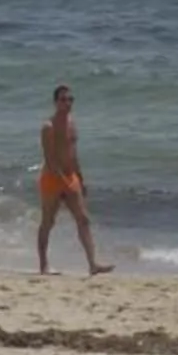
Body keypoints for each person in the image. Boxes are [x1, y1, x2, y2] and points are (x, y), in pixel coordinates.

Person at [35, 84, 112, 276]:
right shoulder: (48, 127)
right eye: (63, 100)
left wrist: (80, 179)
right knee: (48, 222)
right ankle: (44, 265)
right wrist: (63, 182)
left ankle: (93, 264)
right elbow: (50, 159)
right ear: (55, 103)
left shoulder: (72, 123)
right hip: (52, 179)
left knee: (83, 219)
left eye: (70, 99)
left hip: (71, 178)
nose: (67, 103)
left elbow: (73, 154)